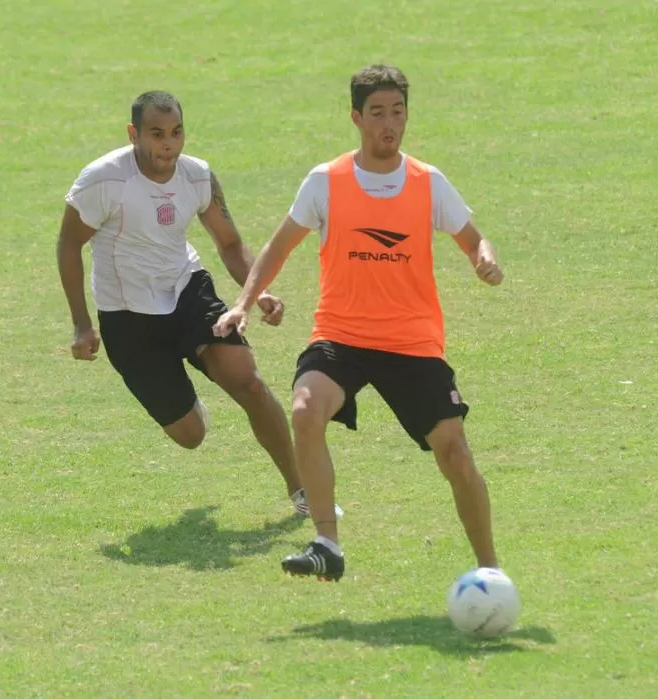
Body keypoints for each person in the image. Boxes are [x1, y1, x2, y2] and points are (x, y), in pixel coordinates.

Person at [213, 65, 504, 581]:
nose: (389, 124)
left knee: (455, 454)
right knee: (305, 409)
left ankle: (490, 572)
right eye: (377, 114)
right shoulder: (326, 182)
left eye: (397, 112)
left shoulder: (427, 182)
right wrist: (243, 302)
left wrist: (484, 259)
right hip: (341, 336)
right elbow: (279, 247)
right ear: (356, 118)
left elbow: (474, 237)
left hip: (411, 341)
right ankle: (327, 542)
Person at [57, 90, 333, 517]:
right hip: (128, 316)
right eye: (156, 134)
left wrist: (255, 296)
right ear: (134, 134)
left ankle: (302, 490)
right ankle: (191, 407)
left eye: (176, 132)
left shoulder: (197, 176)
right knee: (190, 434)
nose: (168, 144)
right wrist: (81, 323)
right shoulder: (103, 181)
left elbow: (229, 242)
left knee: (248, 382)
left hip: (187, 291)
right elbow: (69, 244)